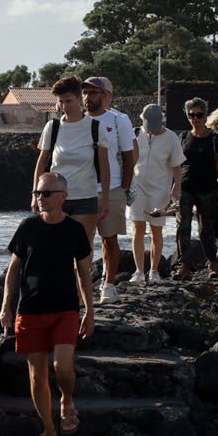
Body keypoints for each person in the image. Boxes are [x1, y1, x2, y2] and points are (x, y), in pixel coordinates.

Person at [0, 172, 96, 436]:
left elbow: (84, 272)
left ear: (63, 197)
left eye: (46, 193)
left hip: (65, 308)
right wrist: (6, 306)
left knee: (62, 366)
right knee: (37, 375)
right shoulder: (27, 227)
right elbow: (13, 270)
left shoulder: (74, 230)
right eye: (37, 193)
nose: (40, 198)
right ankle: (49, 430)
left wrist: (89, 311)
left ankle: (67, 399)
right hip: (30, 309)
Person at [32, 76, 109, 246]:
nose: (64, 107)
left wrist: (105, 198)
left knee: (82, 249)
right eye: (61, 102)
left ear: (79, 98)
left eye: (68, 101)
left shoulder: (95, 127)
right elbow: (42, 162)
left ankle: (81, 274)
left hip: (86, 197)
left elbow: (104, 165)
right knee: (54, 247)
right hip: (55, 198)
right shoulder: (53, 127)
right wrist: (35, 195)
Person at [83, 76, 135, 301]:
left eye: (93, 92)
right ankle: (82, 287)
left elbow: (129, 156)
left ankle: (109, 284)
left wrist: (125, 187)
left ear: (105, 96)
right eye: (84, 92)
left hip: (112, 188)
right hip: (82, 189)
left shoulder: (118, 121)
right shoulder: (75, 120)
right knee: (81, 242)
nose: (87, 97)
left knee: (109, 238)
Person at [128, 104, 185, 283]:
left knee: (156, 229)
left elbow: (176, 165)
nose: (151, 129)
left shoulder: (171, 138)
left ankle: (153, 270)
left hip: (160, 188)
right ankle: (138, 270)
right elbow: (127, 159)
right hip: (137, 186)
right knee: (137, 227)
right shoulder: (135, 134)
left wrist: (177, 187)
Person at [175, 98, 218, 277]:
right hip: (186, 188)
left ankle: (212, 263)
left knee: (206, 229)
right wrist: (174, 188)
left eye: (199, 115)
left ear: (205, 116)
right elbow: (177, 165)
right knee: (183, 226)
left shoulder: (214, 138)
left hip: (208, 189)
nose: (195, 118)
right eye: (191, 115)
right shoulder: (183, 137)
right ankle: (184, 266)